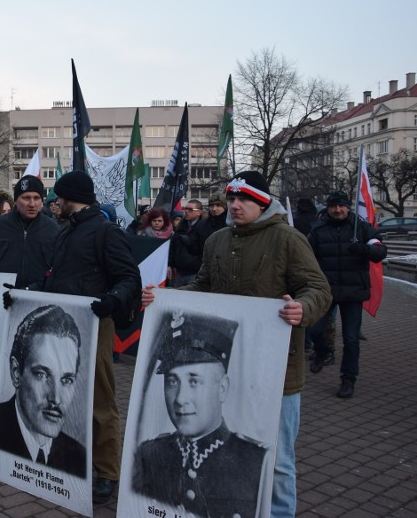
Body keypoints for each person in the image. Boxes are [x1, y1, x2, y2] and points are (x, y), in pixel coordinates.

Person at [141, 170, 331, 518]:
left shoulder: (288, 239)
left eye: (244, 199)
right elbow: (202, 287)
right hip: (229, 369)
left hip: (278, 369)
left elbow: (318, 288)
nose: (235, 205)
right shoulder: (217, 240)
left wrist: (302, 307)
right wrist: (164, 298)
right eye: (231, 199)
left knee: (278, 459)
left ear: (263, 203)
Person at [25, 170, 142, 502]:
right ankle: (72, 458)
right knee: (65, 398)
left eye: (56, 198)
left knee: (100, 400)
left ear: (69, 197)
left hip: (95, 326)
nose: (52, 203)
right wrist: (26, 292)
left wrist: (113, 300)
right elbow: (53, 279)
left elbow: (129, 278)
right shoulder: (65, 233)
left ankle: (107, 472)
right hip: (64, 327)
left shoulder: (105, 232)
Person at [131, 312, 266, 517]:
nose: (180, 399)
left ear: (222, 389)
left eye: (194, 381)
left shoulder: (256, 461)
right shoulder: (149, 454)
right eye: (172, 381)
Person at [307, 190, 387, 398]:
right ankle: (323, 352)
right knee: (315, 330)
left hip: (353, 291)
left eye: (341, 205)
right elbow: (307, 258)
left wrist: (363, 249)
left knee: (351, 339)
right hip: (327, 291)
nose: (337, 209)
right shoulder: (317, 229)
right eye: (333, 206)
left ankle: (348, 378)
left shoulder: (361, 228)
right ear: (328, 207)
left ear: (348, 207)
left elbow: (380, 252)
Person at [0, 304, 86, 478]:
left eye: (66, 380)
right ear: (16, 372)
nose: (56, 398)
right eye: (42, 374)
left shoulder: (78, 458)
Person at [0, 175, 58, 289]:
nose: (32, 204)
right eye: (26, 198)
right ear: (16, 201)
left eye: (36, 198)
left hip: (38, 298)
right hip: (2, 295)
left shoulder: (52, 229)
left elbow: (60, 267)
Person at [169, 199, 206, 287]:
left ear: (199, 212)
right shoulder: (181, 227)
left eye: (190, 210)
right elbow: (173, 247)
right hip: (179, 271)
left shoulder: (204, 228)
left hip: (195, 272)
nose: (186, 211)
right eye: (185, 209)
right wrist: (170, 264)